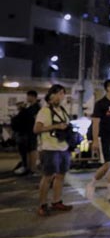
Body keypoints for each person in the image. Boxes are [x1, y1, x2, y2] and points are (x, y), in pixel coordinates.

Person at [33, 85, 73, 216]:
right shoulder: (44, 111)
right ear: (51, 95)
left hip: (64, 148)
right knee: (48, 177)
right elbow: (37, 129)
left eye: (63, 94)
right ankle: (42, 205)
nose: (61, 96)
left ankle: (57, 201)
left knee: (61, 176)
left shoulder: (62, 110)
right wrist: (56, 126)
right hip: (50, 149)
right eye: (59, 93)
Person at [86, 80, 110, 201]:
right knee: (109, 163)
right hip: (105, 137)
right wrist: (95, 140)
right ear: (108, 88)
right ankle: (92, 183)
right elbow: (95, 123)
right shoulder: (100, 104)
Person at [12, 90, 40, 176]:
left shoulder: (36, 108)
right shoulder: (29, 107)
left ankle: (33, 169)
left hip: (31, 132)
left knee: (32, 150)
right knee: (27, 150)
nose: (27, 98)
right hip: (25, 132)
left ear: (33, 97)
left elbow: (30, 118)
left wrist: (23, 109)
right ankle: (28, 168)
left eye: (29, 96)